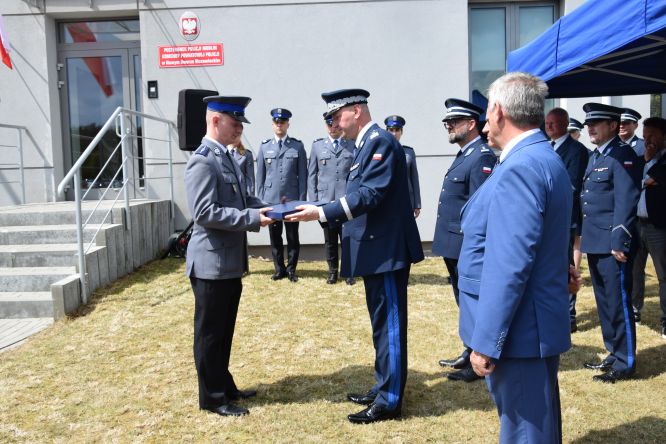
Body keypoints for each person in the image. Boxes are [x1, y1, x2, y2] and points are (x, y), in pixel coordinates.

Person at [287, 88, 424, 424]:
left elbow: (370, 194)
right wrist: (320, 207)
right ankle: (382, 387)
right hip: (376, 250)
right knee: (380, 325)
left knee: (389, 325)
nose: (334, 123)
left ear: (357, 111)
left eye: (337, 115)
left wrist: (320, 213)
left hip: (387, 251)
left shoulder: (379, 141)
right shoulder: (365, 144)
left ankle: (390, 401)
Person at [458, 72, 572, 443]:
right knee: (535, 425)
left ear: (498, 111)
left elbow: (509, 263)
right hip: (529, 323)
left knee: (526, 432)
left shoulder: (521, 166)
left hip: (519, 331)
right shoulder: (539, 156)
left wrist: (487, 341)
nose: (486, 121)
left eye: (488, 112)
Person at [184, 95, 274, 416]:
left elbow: (242, 198)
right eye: (235, 123)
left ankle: (225, 384)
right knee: (210, 334)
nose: (240, 129)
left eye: (241, 124)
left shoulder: (226, 157)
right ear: (216, 121)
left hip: (227, 263)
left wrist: (268, 208)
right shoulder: (203, 160)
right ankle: (212, 397)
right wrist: (253, 219)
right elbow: (205, 212)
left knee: (224, 331)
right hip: (210, 264)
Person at [432, 98, 496, 383]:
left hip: (465, 244)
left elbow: (480, 207)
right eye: (447, 122)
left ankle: (479, 359)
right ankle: (469, 348)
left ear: (471, 124)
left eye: (454, 122)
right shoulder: (465, 153)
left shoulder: (481, 155)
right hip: (453, 243)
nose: (448, 126)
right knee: (463, 300)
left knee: (474, 302)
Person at [580, 102, 642, 383]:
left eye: (597, 123)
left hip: (612, 243)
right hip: (595, 240)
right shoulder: (596, 157)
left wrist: (619, 241)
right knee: (605, 303)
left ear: (613, 126)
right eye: (588, 124)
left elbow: (626, 201)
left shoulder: (623, 156)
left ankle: (626, 360)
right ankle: (613, 352)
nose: (590, 128)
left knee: (619, 301)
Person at [545, 107, 589, 333]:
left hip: (566, 217)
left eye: (553, 123)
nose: (549, 127)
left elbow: (572, 185)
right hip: (549, 220)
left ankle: (568, 315)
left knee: (567, 265)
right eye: (547, 123)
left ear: (565, 124)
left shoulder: (576, 150)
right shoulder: (546, 147)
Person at [255, 108, 308, 282]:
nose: (280, 125)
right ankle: (279, 269)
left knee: (293, 236)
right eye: (277, 122)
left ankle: (292, 269)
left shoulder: (297, 146)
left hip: (292, 200)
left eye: (282, 122)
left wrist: (301, 200)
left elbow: (303, 176)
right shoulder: (264, 147)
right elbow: (260, 178)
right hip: (271, 200)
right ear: (272, 125)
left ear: (288, 124)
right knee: (275, 236)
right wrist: (261, 202)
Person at [307, 112, 356, 285]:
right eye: (330, 124)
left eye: (336, 124)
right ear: (325, 125)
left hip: (346, 200)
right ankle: (332, 272)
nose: (333, 127)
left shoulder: (351, 145)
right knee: (329, 239)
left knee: (347, 238)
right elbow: (311, 174)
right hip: (325, 201)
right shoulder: (318, 146)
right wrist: (314, 201)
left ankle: (349, 272)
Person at [631, 117, 666, 337]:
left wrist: (647, 163)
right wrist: (645, 162)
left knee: (663, 274)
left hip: (658, 227)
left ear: (664, 136)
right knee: (635, 270)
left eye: (652, 136)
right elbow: (635, 178)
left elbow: (652, 179)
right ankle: (635, 310)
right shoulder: (640, 159)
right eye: (645, 137)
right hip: (637, 224)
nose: (647, 140)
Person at [384, 115, 422, 218]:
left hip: (407, 199)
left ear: (401, 132)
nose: (394, 133)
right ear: (386, 131)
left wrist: (417, 203)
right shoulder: (381, 151)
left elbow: (414, 178)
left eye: (397, 130)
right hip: (386, 200)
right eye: (391, 130)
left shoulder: (409, 152)